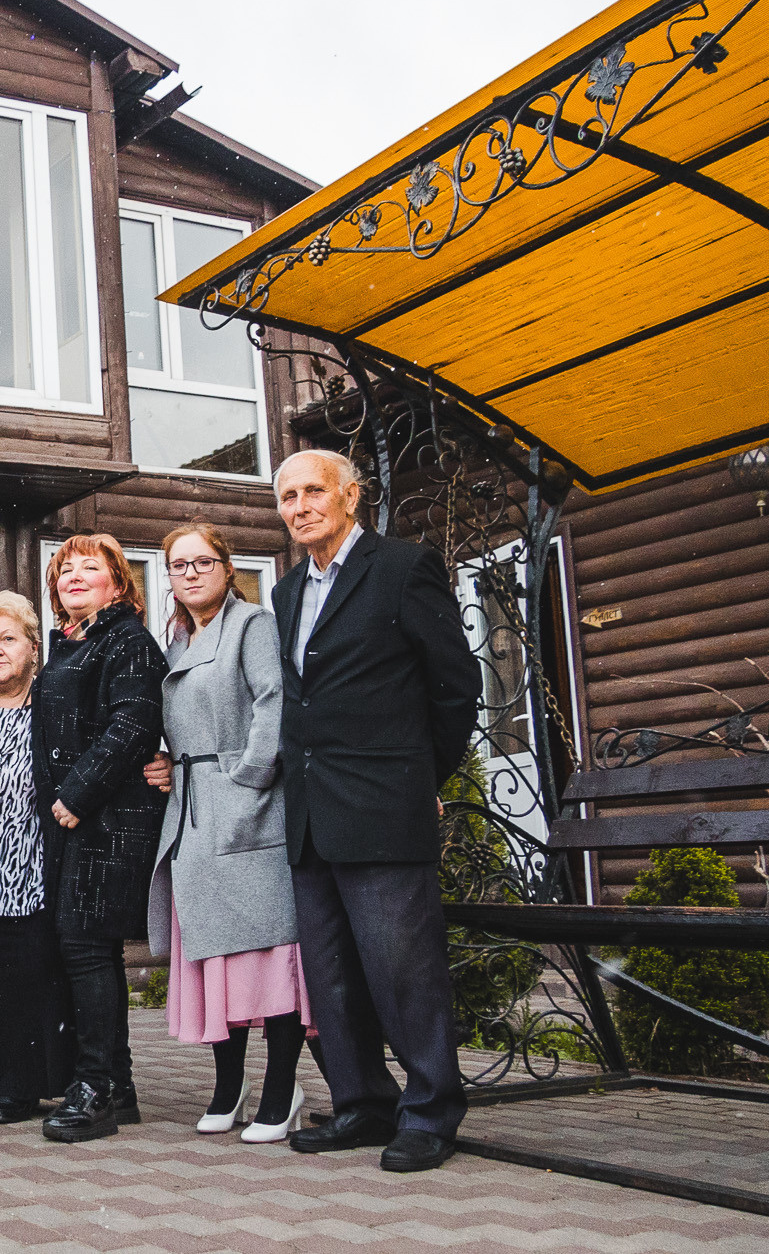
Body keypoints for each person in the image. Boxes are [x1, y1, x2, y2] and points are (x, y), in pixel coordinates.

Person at [270, 449, 480, 1173]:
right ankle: (362, 1103)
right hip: (312, 816)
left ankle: (430, 1111)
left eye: (312, 491)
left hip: (384, 808)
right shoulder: (288, 591)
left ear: (350, 495)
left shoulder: (402, 567)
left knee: (403, 971)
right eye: (287, 496)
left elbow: (455, 685)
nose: (299, 506)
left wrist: (422, 776)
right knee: (330, 975)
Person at [143, 524, 313, 1145]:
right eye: (177, 565)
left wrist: (247, 782)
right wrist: (165, 762)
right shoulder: (180, 638)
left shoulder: (252, 625)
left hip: (247, 806)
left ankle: (281, 1089)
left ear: (226, 566)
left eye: (201, 562)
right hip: (191, 812)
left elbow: (273, 703)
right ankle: (227, 1083)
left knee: (268, 954)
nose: (189, 574)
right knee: (216, 954)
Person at [33, 534, 169, 1144]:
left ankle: (93, 1091)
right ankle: (117, 1085)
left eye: (92, 568)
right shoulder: (71, 643)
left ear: (119, 583)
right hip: (74, 822)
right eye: (65, 570)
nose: (75, 577)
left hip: (109, 821)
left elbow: (134, 722)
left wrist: (75, 795)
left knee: (86, 950)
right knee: (91, 953)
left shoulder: (128, 640)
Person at [0, 591, 73, 1125]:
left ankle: (20, 1088)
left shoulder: (51, 707)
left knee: (28, 983)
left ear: (32, 648)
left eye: (8, 639)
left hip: (32, 872)